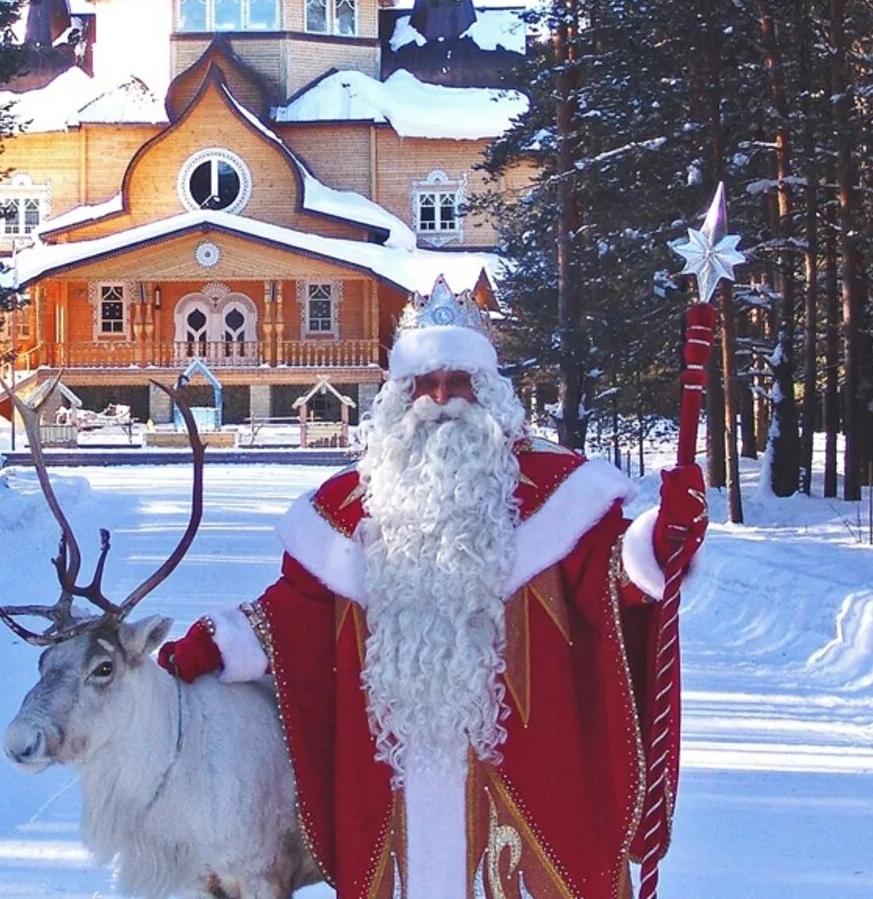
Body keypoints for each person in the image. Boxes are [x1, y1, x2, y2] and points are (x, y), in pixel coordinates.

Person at [159, 278, 707, 899]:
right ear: (399, 394)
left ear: (490, 391)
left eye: (458, 381)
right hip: (389, 786)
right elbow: (296, 613)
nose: (441, 400)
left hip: (530, 778)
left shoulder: (559, 494)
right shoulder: (346, 510)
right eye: (425, 383)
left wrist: (659, 542)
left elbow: (611, 582)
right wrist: (220, 642)